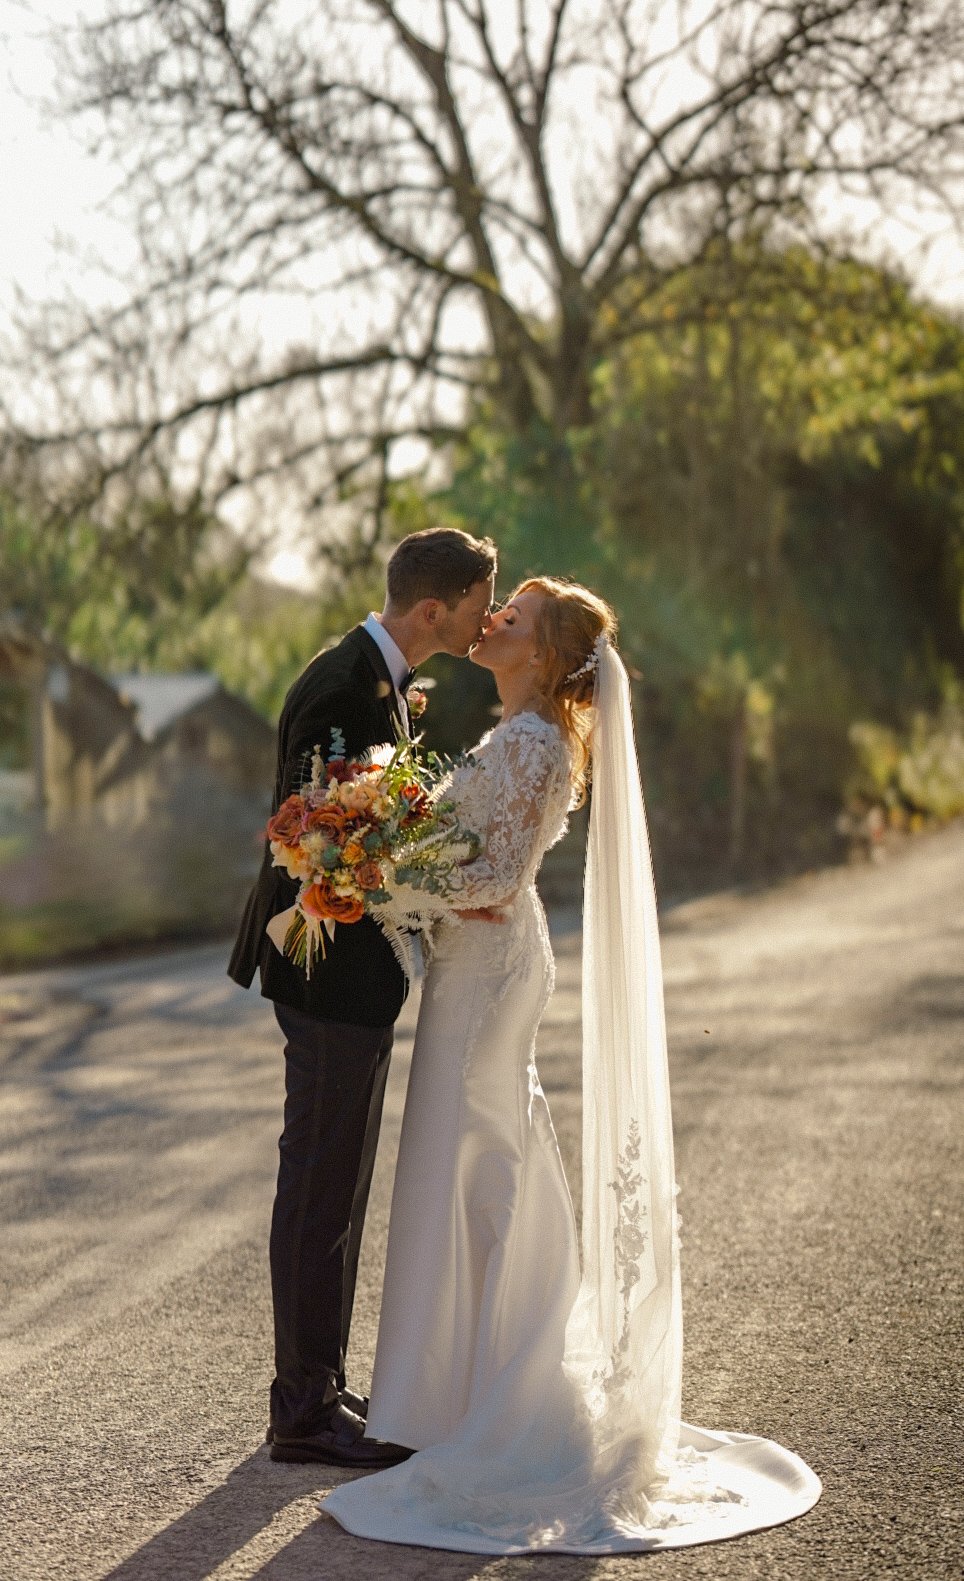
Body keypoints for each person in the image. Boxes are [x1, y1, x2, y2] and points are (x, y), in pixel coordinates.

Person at [322, 576, 821, 1551]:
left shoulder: (535, 743)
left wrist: (373, 872)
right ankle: (468, 1392)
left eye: (516, 612)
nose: (494, 615)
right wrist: (385, 851)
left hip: (490, 975)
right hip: (481, 971)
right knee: (477, 1161)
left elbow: (493, 882)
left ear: (545, 653)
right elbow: (479, 863)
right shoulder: (516, 735)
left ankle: (515, 1394)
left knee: (485, 1164)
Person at [228, 527, 497, 1467]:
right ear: (435, 608)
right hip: (325, 971)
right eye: (477, 603)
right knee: (318, 1185)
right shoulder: (345, 685)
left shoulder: (375, 680)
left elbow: (366, 824)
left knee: (336, 1183)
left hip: (351, 973)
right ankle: (300, 1406)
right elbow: (323, 835)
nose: (485, 617)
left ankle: (319, 1387)